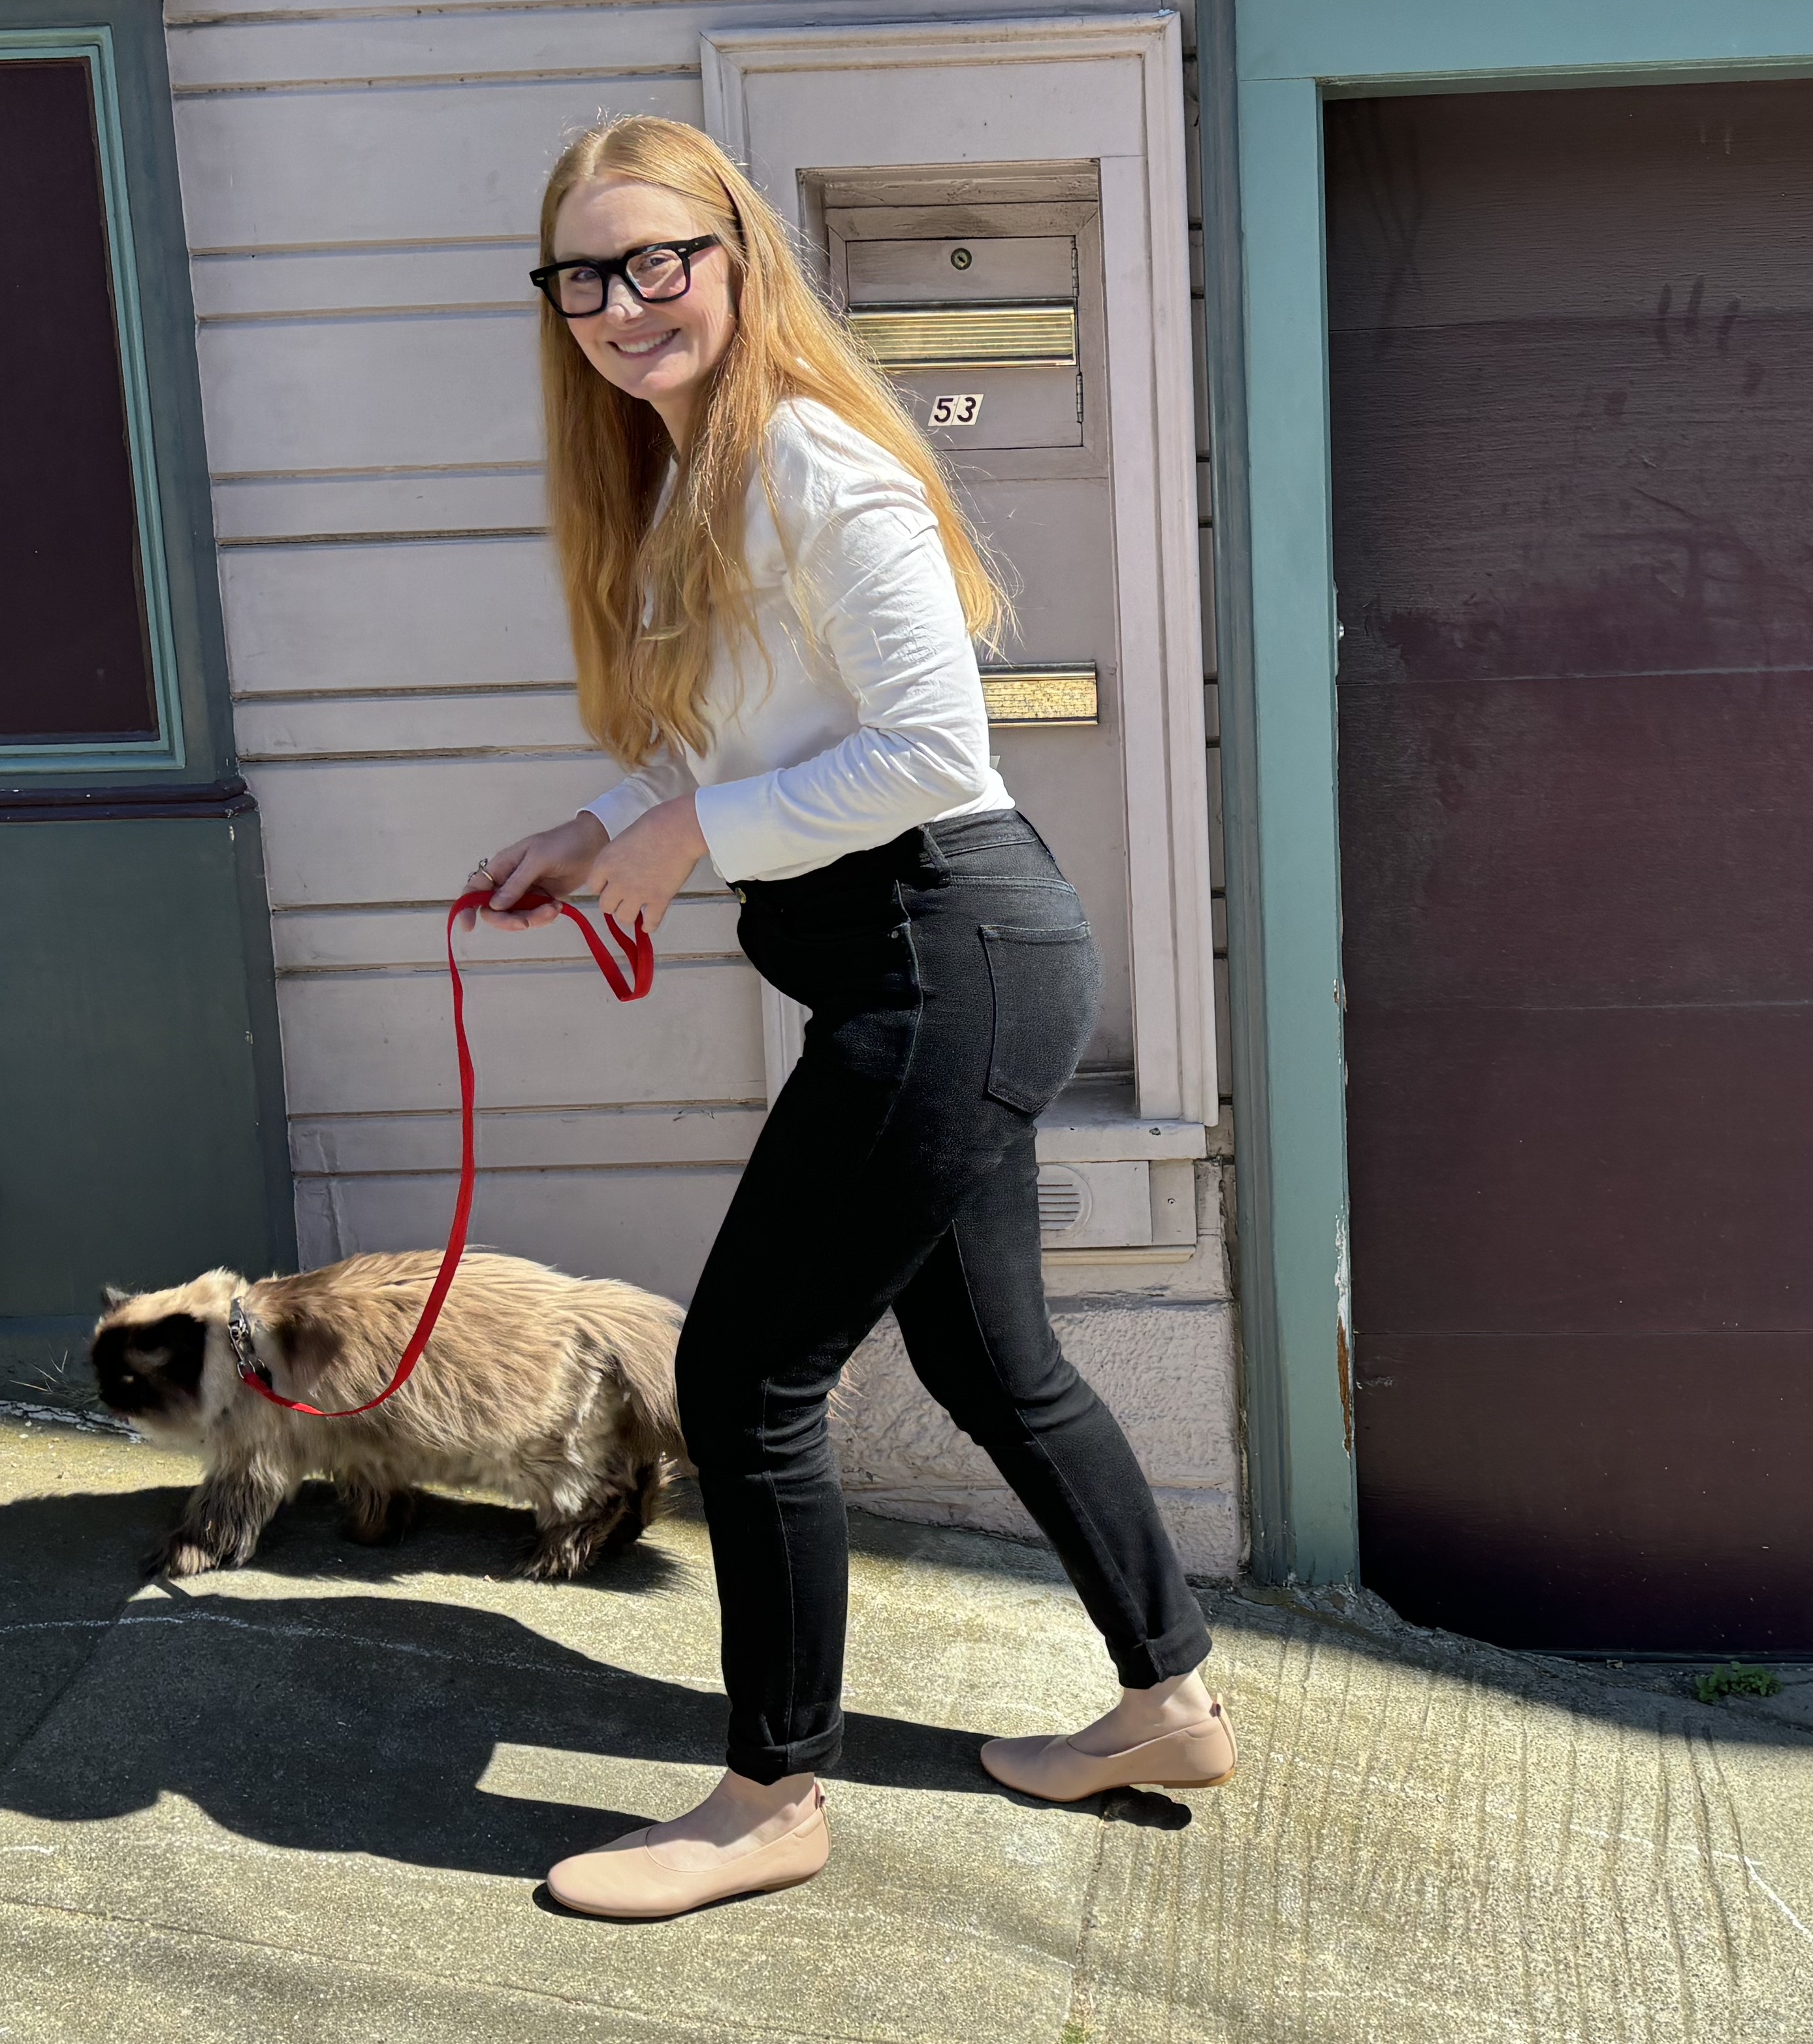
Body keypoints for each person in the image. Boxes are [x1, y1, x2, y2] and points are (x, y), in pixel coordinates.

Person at [475, 114, 1234, 1923]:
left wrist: (681, 835)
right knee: (988, 1361)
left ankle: (768, 1796)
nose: (622, 302)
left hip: (939, 949)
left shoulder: (814, 460)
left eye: (660, 259)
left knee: (742, 1373)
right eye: (584, 274)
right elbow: (745, 730)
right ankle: (1166, 1699)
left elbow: (927, 754)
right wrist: (601, 826)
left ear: (736, 259)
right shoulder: (682, 481)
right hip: (909, 959)